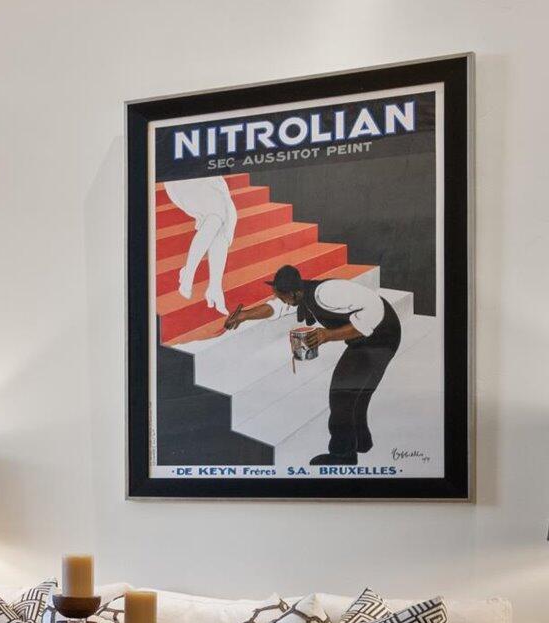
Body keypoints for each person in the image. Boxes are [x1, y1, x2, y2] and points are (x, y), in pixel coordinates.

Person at [222, 264, 401, 466]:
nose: (282, 301)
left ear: (295, 293)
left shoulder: (326, 293)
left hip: (382, 334)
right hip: (375, 334)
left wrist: (328, 335)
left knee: (341, 393)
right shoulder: (299, 294)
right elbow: (276, 307)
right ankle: (361, 441)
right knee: (356, 390)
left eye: (283, 297)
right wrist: (245, 315)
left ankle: (343, 456)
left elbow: (374, 308)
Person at [161, 174, 238, 311]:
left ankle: (214, 287)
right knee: (217, 214)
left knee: (228, 216)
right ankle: (190, 274)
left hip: (208, 177)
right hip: (185, 178)